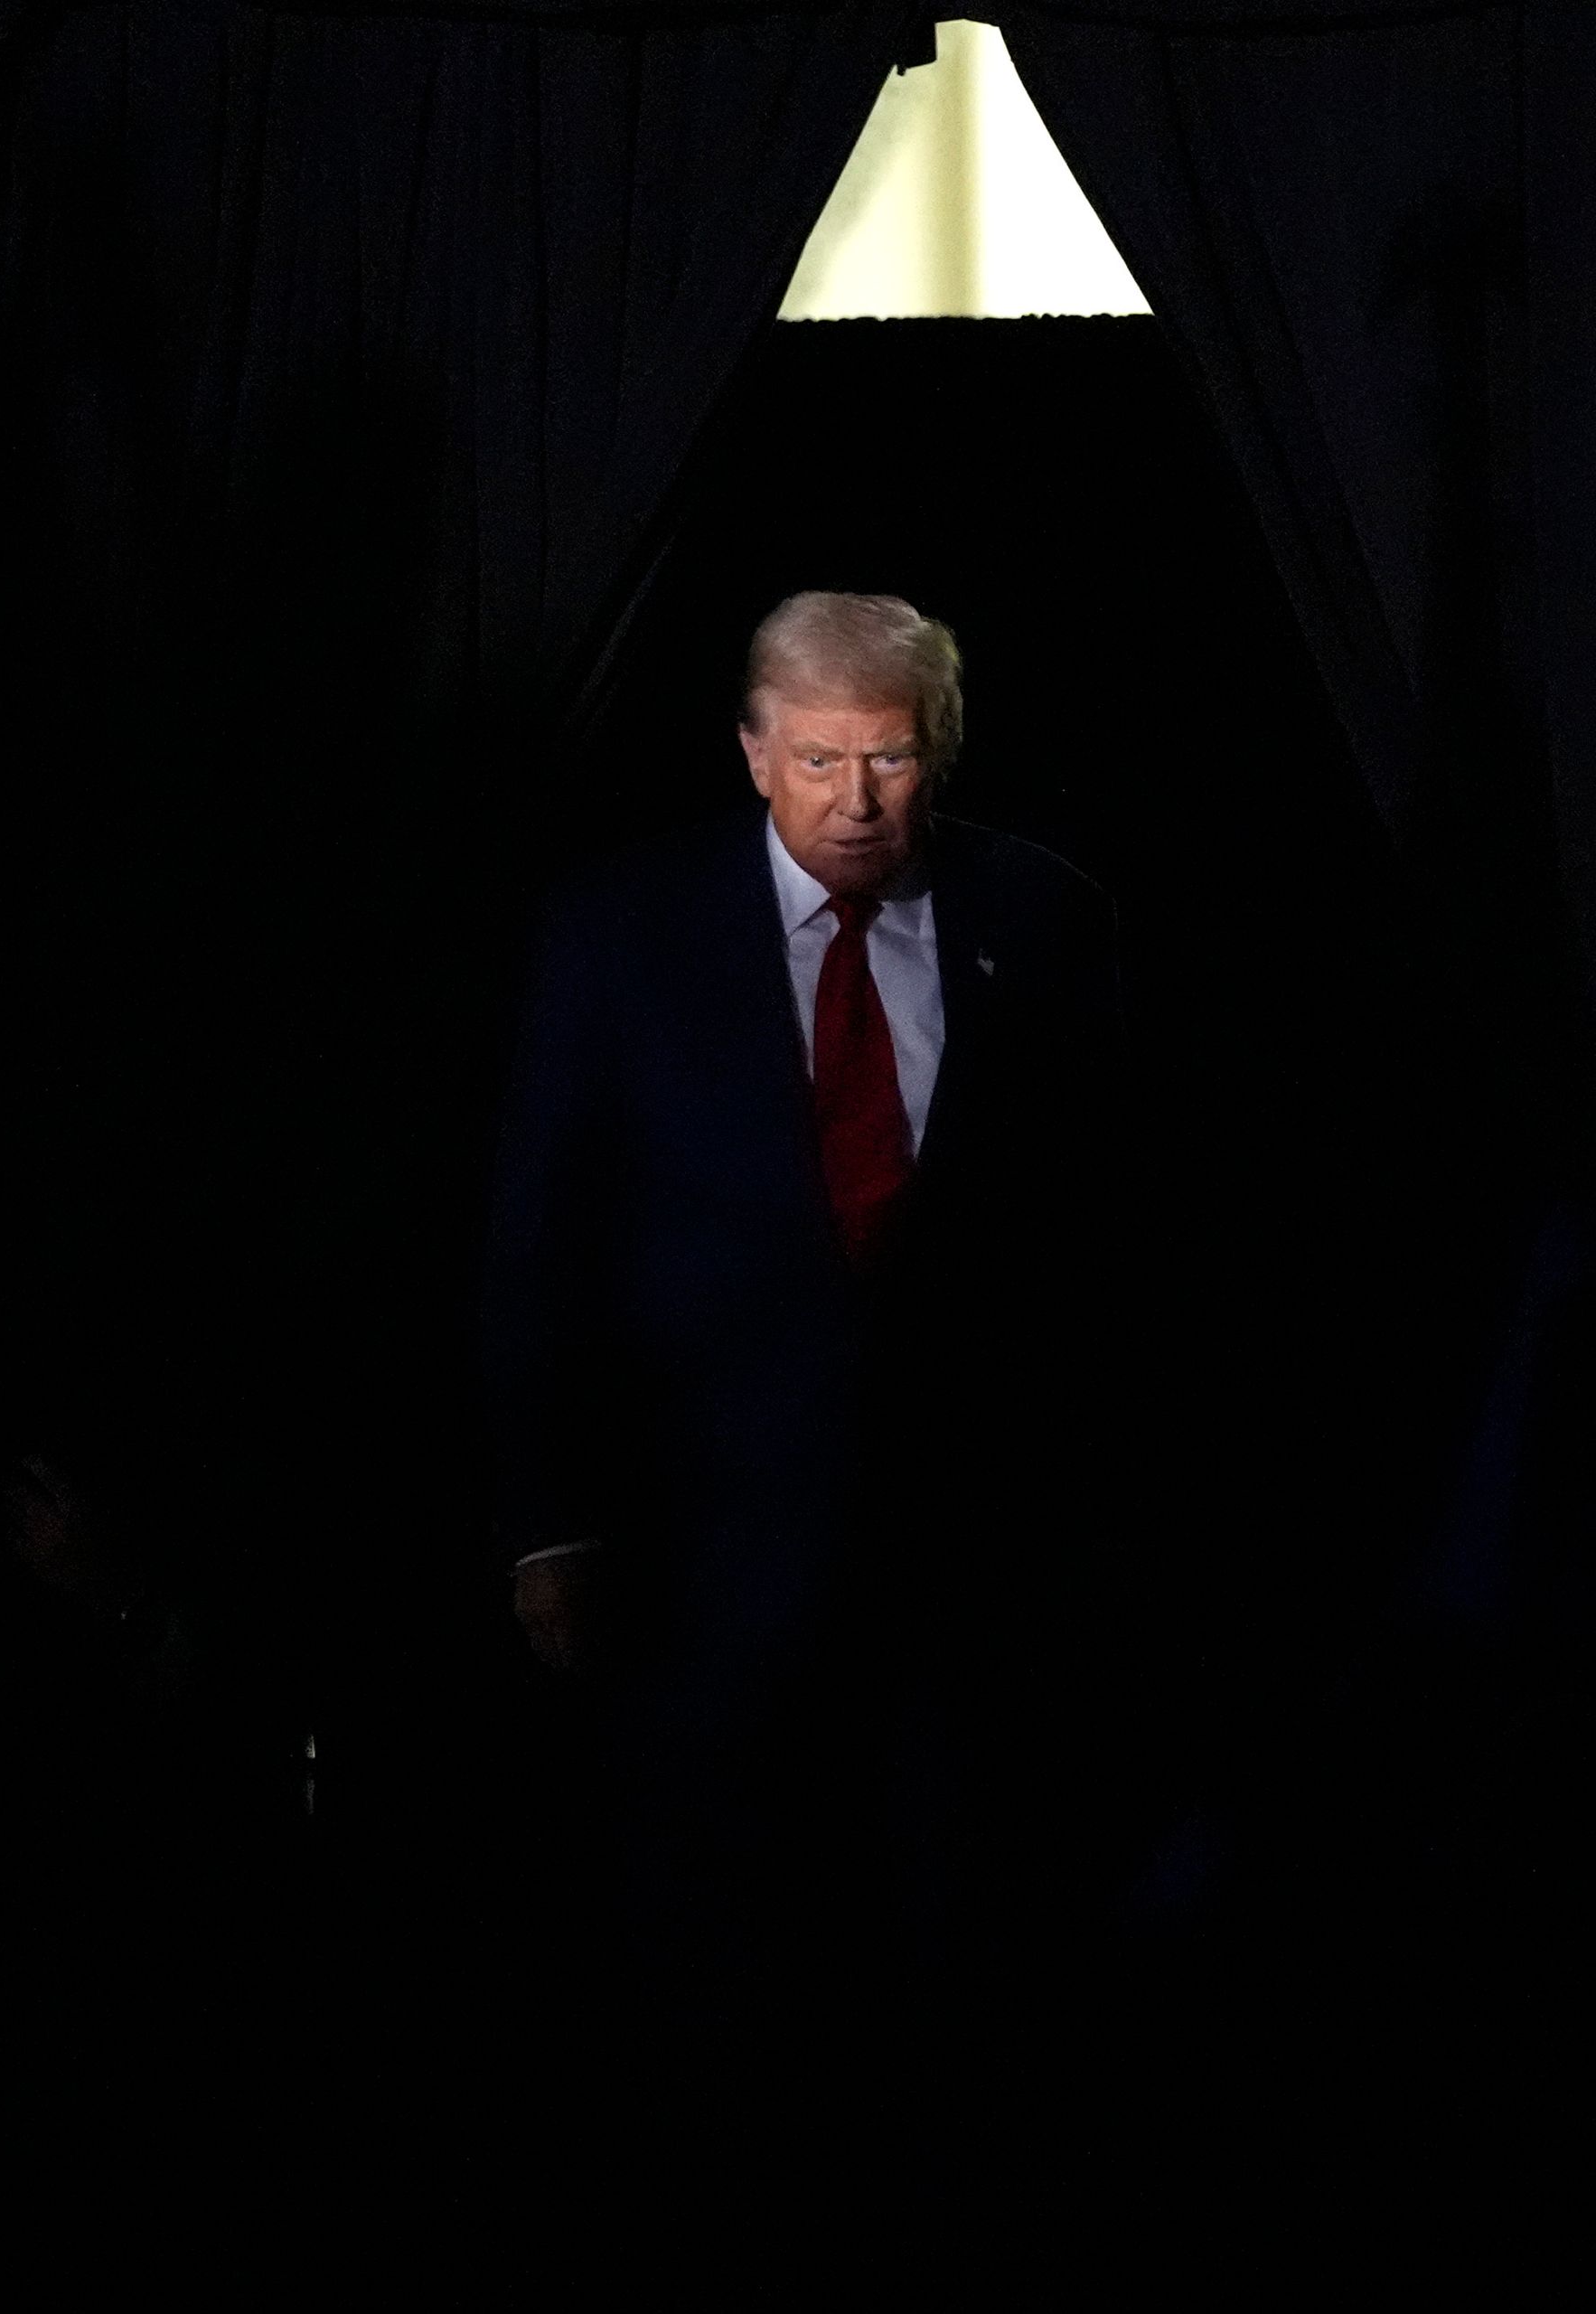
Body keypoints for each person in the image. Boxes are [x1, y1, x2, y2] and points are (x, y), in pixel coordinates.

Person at [481, 590, 1126, 2227]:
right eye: (823, 758)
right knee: (715, 1979)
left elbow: (1108, 1238)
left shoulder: (1039, 920)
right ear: (757, 753)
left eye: (893, 758)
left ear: (942, 755)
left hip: (962, 1564)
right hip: (700, 1566)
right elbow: (542, 1239)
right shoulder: (620, 934)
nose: (858, 798)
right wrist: (548, 1520)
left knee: (958, 1969)